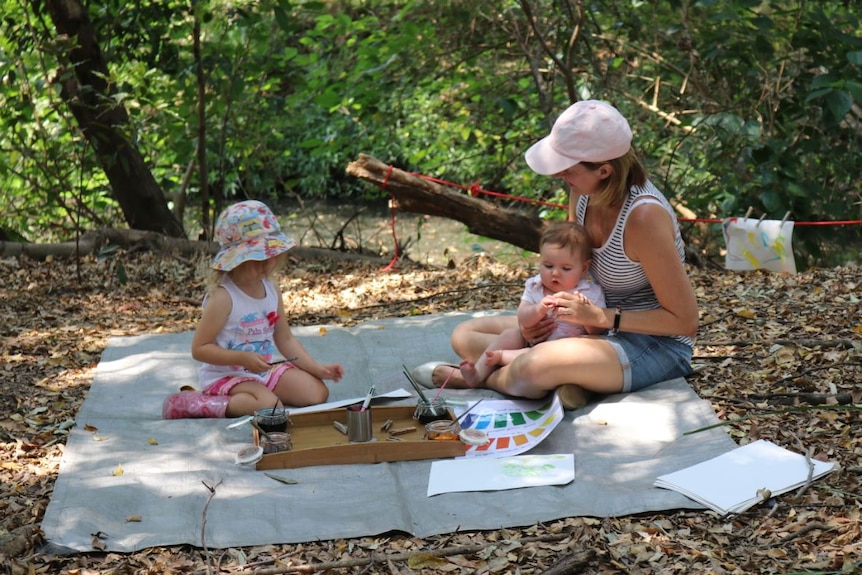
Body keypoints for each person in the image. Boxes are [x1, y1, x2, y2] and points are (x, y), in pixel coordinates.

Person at [411, 100, 698, 410]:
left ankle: (478, 378)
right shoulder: (583, 191)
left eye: (568, 169)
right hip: (586, 326)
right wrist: (535, 321)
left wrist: (600, 317)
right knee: (465, 334)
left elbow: (684, 321)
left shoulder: (643, 218)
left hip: (649, 342)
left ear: (604, 170)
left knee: (536, 365)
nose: (560, 175)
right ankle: (570, 382)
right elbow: (574, 267)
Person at [162, 200, 344, 419]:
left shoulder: (271, 287)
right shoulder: (223, 297)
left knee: (316, 393)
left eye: (271, 256)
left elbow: (284, 338)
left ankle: (260, 396)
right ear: (236, 260)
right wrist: (242, 357)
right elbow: (199, 348)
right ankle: (201, 403)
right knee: (272, 408)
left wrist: (317, 369)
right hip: (227, 375)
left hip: (263, 371)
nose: (267, 265)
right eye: (258, 258)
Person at [459, 221, 605, 387]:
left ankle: (502, 358)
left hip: (563, 350)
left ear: (584, 268)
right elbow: (523, 320)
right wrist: (538, 309)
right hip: (533, 341)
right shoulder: (536, 286)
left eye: (566, 268)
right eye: (548, 265)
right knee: (510, 334)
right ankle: (477, 374)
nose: (555, 273)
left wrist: (587, 316)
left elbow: (598, 331)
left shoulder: (589, 293)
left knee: (538, 355)